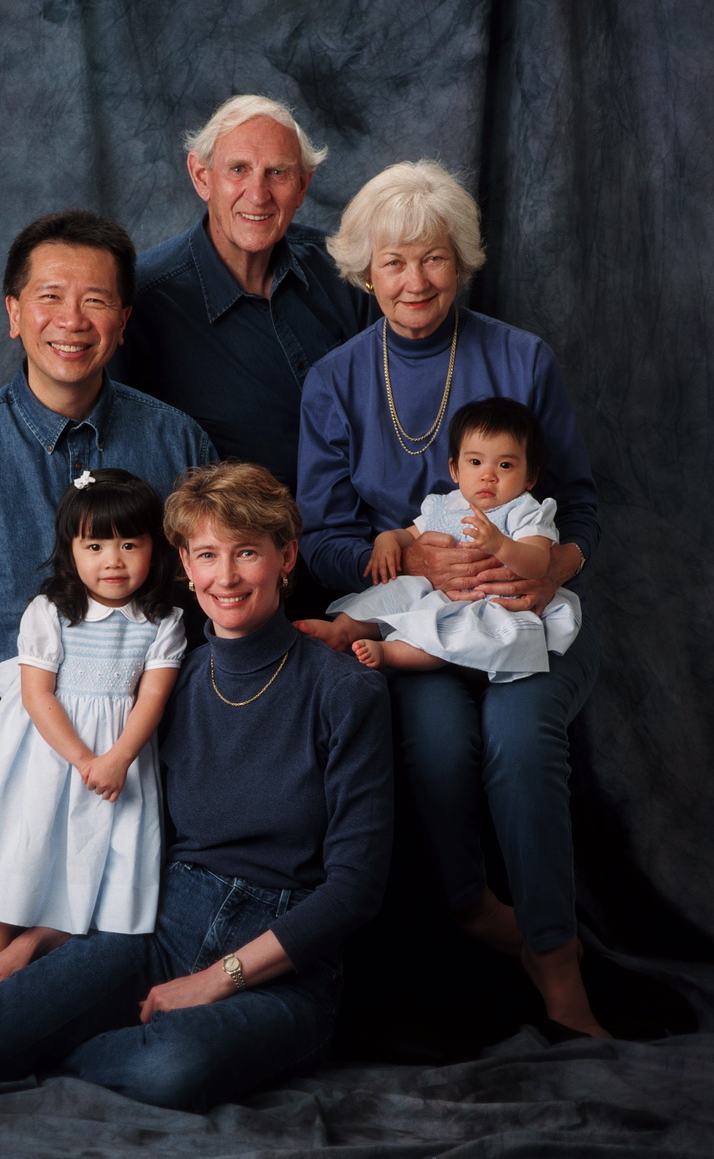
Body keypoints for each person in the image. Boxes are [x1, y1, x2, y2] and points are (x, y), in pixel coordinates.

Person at [0, 462, 394, 1112]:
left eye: (247, 553)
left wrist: (216, 980)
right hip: (155, 932)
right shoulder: (170, 683)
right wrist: (34, 945)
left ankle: (33, 1045)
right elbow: (126, 840)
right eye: (208, 555)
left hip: (284, 968)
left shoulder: (346, 693)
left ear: (286, 557)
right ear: (184, 564)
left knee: (170, 1068)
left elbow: (355, 888)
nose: (226, 577)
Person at [297, 160, 607, 1039]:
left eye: (433, 258)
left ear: (461, 261)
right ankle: (472, 906)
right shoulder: (334, 379)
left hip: (527, 615)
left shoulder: (521, 356)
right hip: (415, 620)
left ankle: (557, 962)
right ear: (365, 270)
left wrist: (550, 567)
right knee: (436, 747)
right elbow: (321, 537)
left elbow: (582, 506)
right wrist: (405, 554)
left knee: (520, 743)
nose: (415, 281)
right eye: (394, 261)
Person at [0, 210, 213, 998]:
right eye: (50, 297)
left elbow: (208, 608)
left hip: (138, 736)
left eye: (95, 301)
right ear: (13, 312)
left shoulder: (178, 445)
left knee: (113, 976)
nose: (72, 320)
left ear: (123, 321)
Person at [0, 469, 185, 995]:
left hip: (119, 761)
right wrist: (84, 759)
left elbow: (152, 699)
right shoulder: (51, 612)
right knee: (13, 873)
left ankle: (42, 997)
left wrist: (116, 759)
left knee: (95, 882)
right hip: (43, 758)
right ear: (71, 551)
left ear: (154, 548)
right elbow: (37, 696)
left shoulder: (162, 621)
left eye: (129, 544)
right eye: (95, 546)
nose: (112, 560)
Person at [111, 94, 376, 492]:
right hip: (231, 529)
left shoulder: (344, 269)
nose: (258, 194)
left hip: (363, 520)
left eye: (277, 173)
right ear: (202, 177)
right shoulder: (143, 298)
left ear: (302, 186)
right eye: (238, 169)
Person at [310, 398, 581, 682]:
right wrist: (387, 539)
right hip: (436, 593)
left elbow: (538, 563)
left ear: (530, 477)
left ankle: (390, 652)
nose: (488, 476)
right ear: (455, 469)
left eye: (505, 465)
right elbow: (409, 535)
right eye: (475, 462)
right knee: (393, 591)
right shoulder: (445, 505)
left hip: (486, 604)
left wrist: (502, 545)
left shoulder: (524, 511)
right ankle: (344, 629)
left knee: (454, 636)